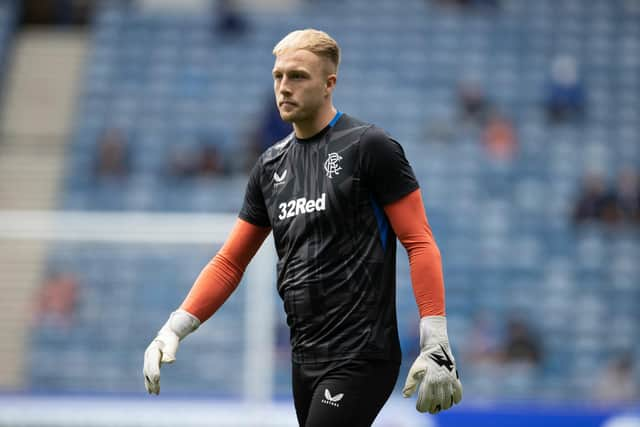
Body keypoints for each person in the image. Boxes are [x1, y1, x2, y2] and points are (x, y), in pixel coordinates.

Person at [143, 29, 462, 426]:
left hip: (361, 353)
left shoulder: (369, 147)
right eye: (278, 76)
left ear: (329, 84)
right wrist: (174, 327)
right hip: (305, 358)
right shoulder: (269, 166)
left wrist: (435, 337)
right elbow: (230, 262)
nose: (283, 87)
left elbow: (419, 241)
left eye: (297, 76)